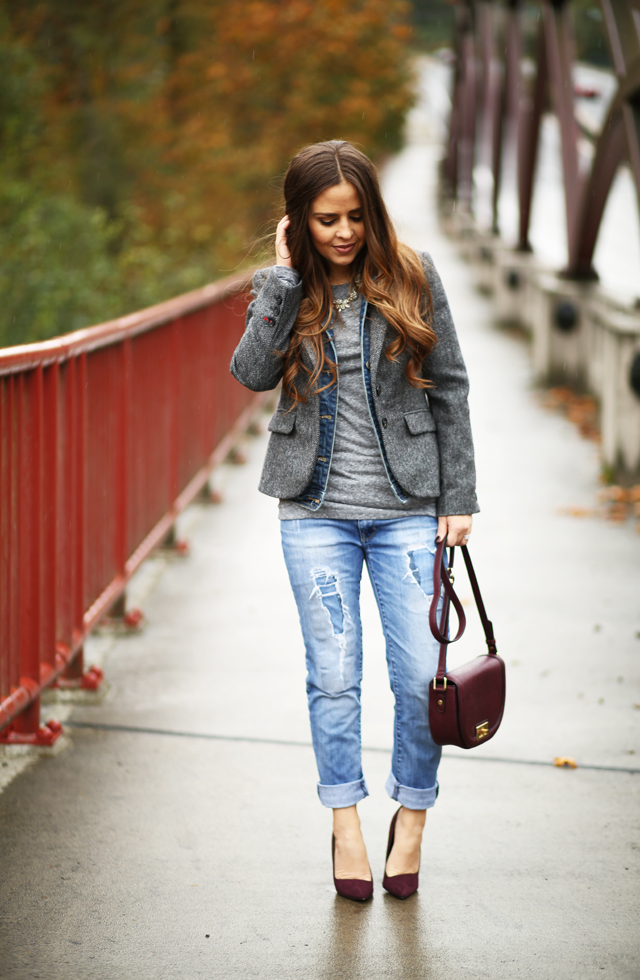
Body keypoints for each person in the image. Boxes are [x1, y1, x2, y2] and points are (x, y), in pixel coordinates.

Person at [231, 140, 478, 901]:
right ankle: (344, 823)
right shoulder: (285, 287)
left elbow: (450, 387)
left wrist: (459, 498)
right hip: (315, 514)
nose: (343, 233)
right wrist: (278, 279)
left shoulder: (412, 274)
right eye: (326, 219)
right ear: (299, 221)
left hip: (407, 510)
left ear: (373, 213)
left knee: (415, 680)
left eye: (355, 217)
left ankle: (413, 814)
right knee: (334, 679)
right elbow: (250, 376)